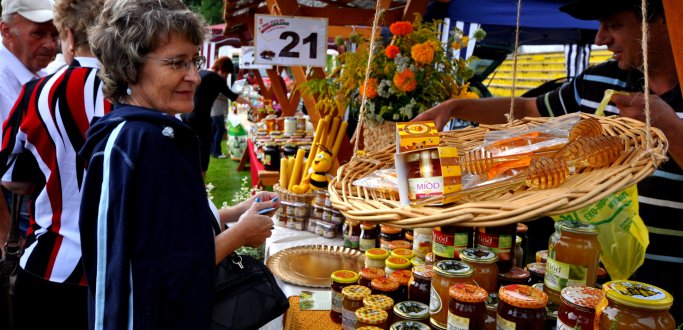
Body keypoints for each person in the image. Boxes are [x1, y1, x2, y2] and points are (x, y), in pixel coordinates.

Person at [414, 0, 682, 320]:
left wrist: (670, 127)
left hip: (669, 294)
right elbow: (528, 109)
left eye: (613, 25)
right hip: (584, 287)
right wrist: (455, 107)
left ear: (664, 22)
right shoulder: (596, 83)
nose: (599, 39)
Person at [79, 0, 277, 328]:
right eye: (177, 63)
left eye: (194, 61)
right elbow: (160, 269)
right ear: (131, 66)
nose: (195, 77)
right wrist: (240, 234)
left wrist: (234, 213)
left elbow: (170, 231)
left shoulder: (152, 133)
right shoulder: (138, 142)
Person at [0, 0, 109, 328]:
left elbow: (8, 176)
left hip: (49, 263)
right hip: (118, 269)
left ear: (69, 36)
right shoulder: (140, 90)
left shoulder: (39, 92)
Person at [0, 0, 58, 257]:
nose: (50, 44)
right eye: (39, 33)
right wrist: (5, 237)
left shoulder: (37, 77)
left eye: (54, 34)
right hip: (14, 215)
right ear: (6, 31)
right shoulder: (3, 80)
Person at [182, 56, 254, 176]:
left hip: (187, 115)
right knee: (203, 151)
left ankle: (191, 180)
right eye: (226, 74)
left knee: (190, 150)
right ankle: (202, 185)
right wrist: (250, 104)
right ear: (222, 69)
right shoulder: (215, 77)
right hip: (200, 118)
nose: (226, 77)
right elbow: (233, 96)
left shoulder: (202, 72)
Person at [211, 94, 229, 158]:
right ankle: (216, 152)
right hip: (217, 112)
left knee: (215, 131)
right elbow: (223, 95)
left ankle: (213, 151)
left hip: (215, 112)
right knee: (220, 130)